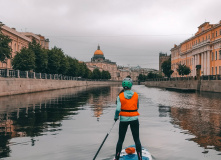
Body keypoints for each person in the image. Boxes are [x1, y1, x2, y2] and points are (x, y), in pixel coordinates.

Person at [114, 77, 142, 160]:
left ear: (123, 85)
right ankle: (140, 158)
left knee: (120, 140)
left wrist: (116, 117)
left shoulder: (120, 96)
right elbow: (137, 107)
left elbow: (118, 109)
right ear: (131, 85)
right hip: (134, 119)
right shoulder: (136, 95)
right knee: (137, 139)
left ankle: (117, 157)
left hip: (123, 120)